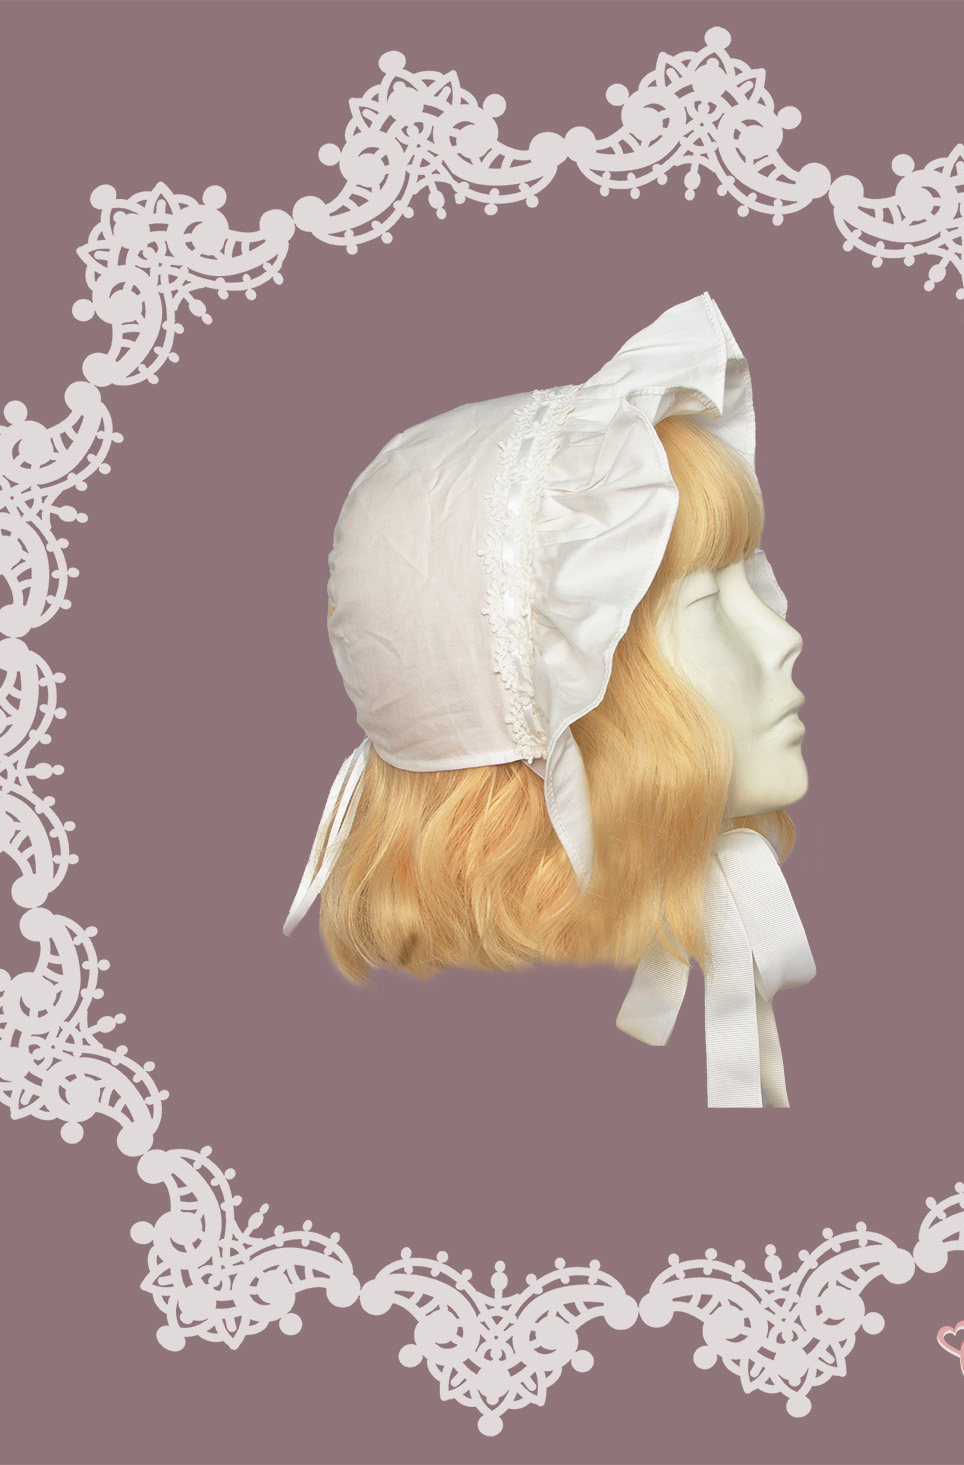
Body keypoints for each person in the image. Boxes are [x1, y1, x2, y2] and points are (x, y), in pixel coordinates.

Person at [285, 294, 815, 1107]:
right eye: (706, 601)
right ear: (543, 694)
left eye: (752, 577)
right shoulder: (489, 1063)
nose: (783, 636)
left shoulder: (653, 959)